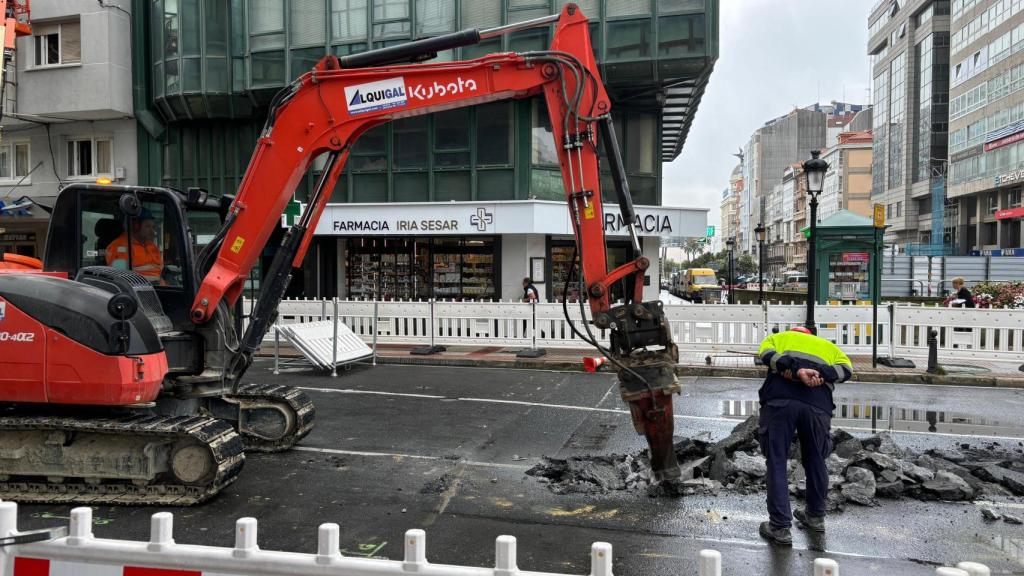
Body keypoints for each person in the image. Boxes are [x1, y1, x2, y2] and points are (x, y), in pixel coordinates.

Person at [756, 326, 853, 546]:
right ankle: (815, 517)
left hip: (780, 402)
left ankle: (780, 528)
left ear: (794, 332)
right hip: (817, 407)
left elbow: (766, 355)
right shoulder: (828, 347)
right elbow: (846, 370)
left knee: (777, 460)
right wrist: (819, 373)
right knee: (816, 460)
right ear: (812, 336)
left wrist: (795, 369)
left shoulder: (777, 338)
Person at [106, 209, 164, 284]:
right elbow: (121, 279)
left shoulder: (152, 246)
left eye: (153, 227)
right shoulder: (119, 246)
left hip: (158, 288)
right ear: (135, 226)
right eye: (148, 226)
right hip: (139, 290)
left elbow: (159, 271)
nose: (153, 231)